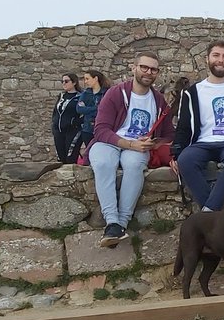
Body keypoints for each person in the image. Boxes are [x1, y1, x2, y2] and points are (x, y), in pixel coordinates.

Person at [89, 53, 174, 247]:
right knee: (103, 163)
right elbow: (100, 130)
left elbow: (169, 134)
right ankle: (112, 221)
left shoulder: (159, 101)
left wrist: (154, 142)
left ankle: (120, 224)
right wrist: (129, 144)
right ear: (134, 68)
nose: (148, 72)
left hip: (139, 147)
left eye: (153, 69)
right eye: (144, 67)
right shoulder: (116, 94)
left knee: (134, 165)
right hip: (111, 141)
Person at [172, 40, 224, 213]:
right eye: (216, 55)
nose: (220, 60)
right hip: (203, 143)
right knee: (185, 160)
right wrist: (176, 153)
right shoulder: (192, 92)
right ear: (207, 59)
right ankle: (213, 213)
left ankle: (207, 213)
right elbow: (183, 126)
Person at [73, 70, 111, 161]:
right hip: (88, 129)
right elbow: (79, 109)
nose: (85, 82)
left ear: (95, 78)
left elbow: (106, 110)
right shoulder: (86, 94)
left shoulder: (106, 93)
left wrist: (90, 109)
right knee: (90, 154)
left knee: (102, 154)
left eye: (87, 79)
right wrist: (96, 108)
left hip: (102, 128)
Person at [51, 73, 82, 163]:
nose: (64, 83)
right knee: (60, 158)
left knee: (70, 157)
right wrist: (54, 124)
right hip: (59, 131)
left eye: (66, 81)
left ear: (74, 82)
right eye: (62, 81)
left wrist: (73, 122)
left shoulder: (80, 97)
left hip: (72, 131)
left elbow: (84, 114)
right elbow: (55, 111)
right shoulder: (61, 96)